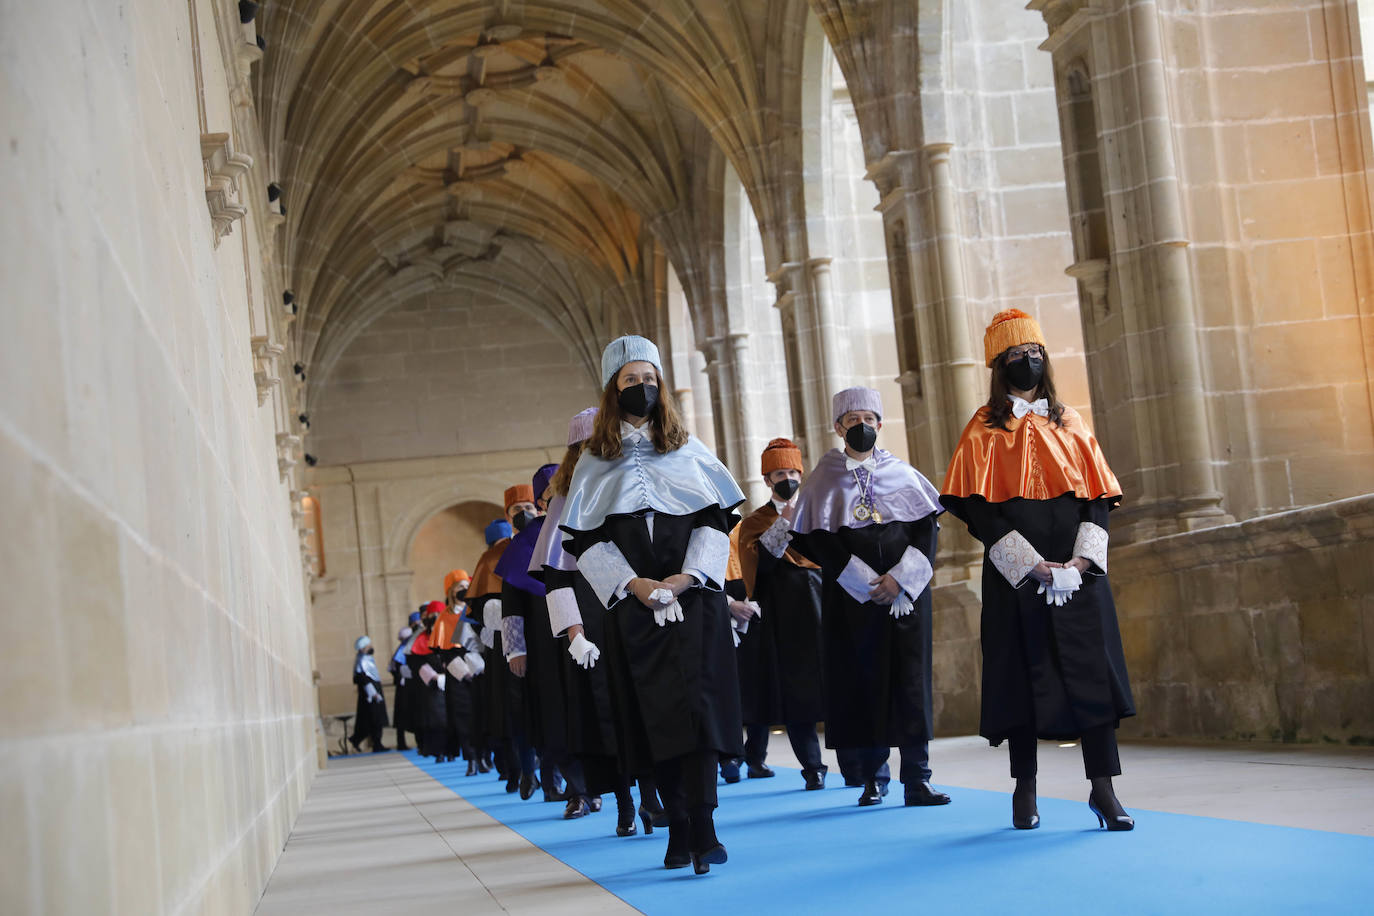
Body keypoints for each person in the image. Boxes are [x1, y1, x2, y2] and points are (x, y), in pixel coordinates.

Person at [940, 309, 1135, 831]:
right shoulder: (981, 429)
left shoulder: (1071, 422)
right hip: (1017, 577)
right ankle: (1024, 790)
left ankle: (1104, 789)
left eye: (1034, 354)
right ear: (998, 366)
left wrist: (1082, 561)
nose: (1027, 362)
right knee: (1020, 677)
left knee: (1093, 674)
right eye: (1015, 356)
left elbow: (1097, 497)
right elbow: (978, 509)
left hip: (1078, 572)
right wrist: (1031, 566)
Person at [559, 335, 744, 874]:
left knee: (701, 714)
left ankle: (704, 823)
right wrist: (632, 585)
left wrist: (689, 576)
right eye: (630, 381)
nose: (643, 388)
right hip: (634, 609)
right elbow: (583, 541)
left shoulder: (688, 449)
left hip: (697, 602)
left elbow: (717, 520)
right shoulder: (594, 462)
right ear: (613, 390)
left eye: (650, 379)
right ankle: (676, 823)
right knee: (654, 717)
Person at [783, 386, 950, 809]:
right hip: (854, 600)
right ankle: (874, 777)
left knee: (911, 683)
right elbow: (814, 539)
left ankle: (918, 777)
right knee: (864, 682)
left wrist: (901, 579)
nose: (862, 426)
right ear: (839, 427)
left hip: (906, 597)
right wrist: (863, 581)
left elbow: (926, 529)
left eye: (868, 419)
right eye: (852, 420)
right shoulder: (824, 477)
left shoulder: (903, 473)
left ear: (880, 423)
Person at [538, 408, 666, 837]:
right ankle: (626, 804)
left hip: (630, 606)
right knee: (604, 715)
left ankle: (651, 795)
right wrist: (573, 632)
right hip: (590, 619)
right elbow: (556, 575)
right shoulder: (564, 501)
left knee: (641, 704)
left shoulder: (628, 486)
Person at [726, 438, 827, 790]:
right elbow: (760, 568)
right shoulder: (755, 522)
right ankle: (812, 767)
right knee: (797, 697)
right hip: (784, 619)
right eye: (779, 473)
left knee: (837, 689)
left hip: (823, 608)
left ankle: (858, 765)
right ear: (767, 480)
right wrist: (785, 523)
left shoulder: (818, 510)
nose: (787, 479)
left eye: (792, 472)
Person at [432, 569, 483, 768]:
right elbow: (444, 651)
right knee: (463, 716)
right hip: (458, 673)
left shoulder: (473, 611)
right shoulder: (443, 618)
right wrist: (463, 672)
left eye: (465, 586)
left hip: (478, 665)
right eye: (459, 587)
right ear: (451, 592)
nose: (463, 590)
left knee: (481, 714)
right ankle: (470, 757)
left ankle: (483, 756)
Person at [350, 636, 389, 752]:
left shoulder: (367, 658)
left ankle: (363, 741)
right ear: (363, 648)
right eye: (368, 646)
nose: (370, 647)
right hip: (371, 695)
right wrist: (373, 693)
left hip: (373, 692)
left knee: (372, 719)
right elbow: (364, 679)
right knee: (374, 719)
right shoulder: (363, 660)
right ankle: (376, 743)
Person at [389, 624, 415, 751]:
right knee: (402, 715)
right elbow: (397, 669)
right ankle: (401, 742)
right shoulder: (403, 649)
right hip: (404, 687)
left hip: (406, 686)